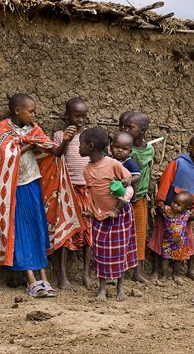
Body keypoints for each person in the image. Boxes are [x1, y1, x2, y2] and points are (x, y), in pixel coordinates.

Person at [0, 93, 78, 298]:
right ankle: (31, 280)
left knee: (37, 229)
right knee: (21, 231)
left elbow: (55, 152)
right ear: (17, 111)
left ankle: (44, 277)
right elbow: (6, 155)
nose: (33, 115)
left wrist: (65, 141)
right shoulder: (2, 128)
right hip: (15, 188)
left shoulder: (35, 130)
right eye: (30, 111)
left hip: (32, 183)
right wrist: (30, 144)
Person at [79, 127, 137, 302]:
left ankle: (120, 287)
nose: (78, 148)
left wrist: (117, 209)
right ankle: (102, 288)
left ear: (89, 146)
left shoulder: (113, 164)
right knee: (101, 253)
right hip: (101, 216)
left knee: (120, 251)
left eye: (80, 144)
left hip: (120, 214)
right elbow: (92, 193)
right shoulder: (87, 170)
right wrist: (91, 211)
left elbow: (129, 187)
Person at [148, 135, 194, 282]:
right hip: (168, 209)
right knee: (159, 237)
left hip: (184, 214)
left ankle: (190, 270)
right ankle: (156, 270)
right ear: (189, 147)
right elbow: (165, 181)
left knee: (187, 240)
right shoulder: (178, 163)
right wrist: (161, 202)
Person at [52, 98, 93, 290]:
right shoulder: (60, 135)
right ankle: (62, 275)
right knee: (65, 233)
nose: (81, 120)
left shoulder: (90, 136)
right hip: (68, 191)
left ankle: (86, 274)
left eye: (84, 116)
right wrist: (67, 140)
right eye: (77, 116)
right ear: (67, 116)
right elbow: (57, 155)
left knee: (88, 234)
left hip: (88, 191)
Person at [123, 112, 154, 284]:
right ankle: (119, 269)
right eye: (125, 127)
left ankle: (137, 271)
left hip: (140, 197)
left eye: (130, 127)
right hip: (124, 198)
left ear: (142, 131)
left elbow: (148, 170)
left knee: (140, 235)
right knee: (122, 234)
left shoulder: (149, 150)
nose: (126, 130)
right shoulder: (126, 150)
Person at [160, 191, 194, 285]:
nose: (174, 205)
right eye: (174, 202)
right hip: (167, 240)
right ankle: (164, 275)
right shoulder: (167, 210)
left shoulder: (186, 214)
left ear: (186, 207)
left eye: (178, 205)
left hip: (180, 242)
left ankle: (176, 275)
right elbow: (159, 208)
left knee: (178, 260)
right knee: (165, 258)